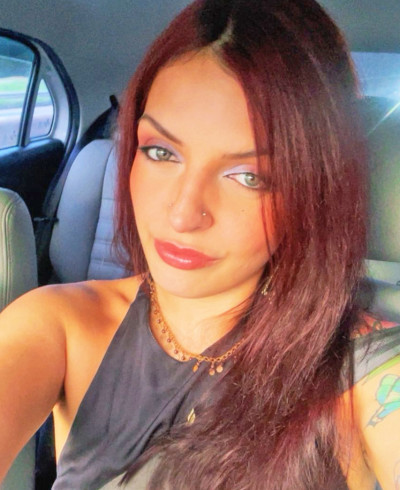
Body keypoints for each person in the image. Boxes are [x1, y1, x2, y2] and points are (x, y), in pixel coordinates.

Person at [1, 0, 399, 488]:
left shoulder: (361, 362)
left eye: (249, 176)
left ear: (313, 191)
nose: (183, 215)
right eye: (160, 152)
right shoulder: (59, 323)